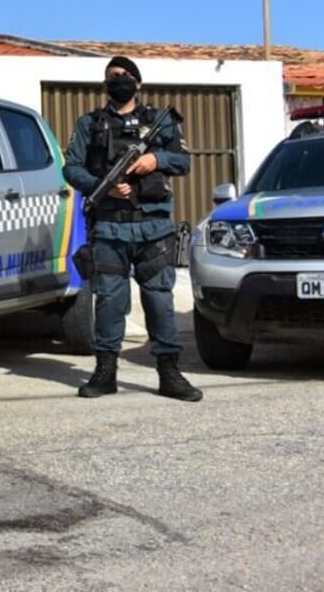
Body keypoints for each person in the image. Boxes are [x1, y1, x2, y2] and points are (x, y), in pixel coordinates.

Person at [63, 56, 202, 402]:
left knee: (158, 300)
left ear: (138, 83)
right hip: (109, 228)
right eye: (112, 77)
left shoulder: (160, 123)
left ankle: (169, 373)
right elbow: (71, 169)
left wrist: (156, 160)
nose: (119, 80)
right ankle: (105, 372)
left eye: (125, 76)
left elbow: (184, 161)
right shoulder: (90, 124)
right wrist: (104, 186)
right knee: (110, 301)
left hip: (152, 228)